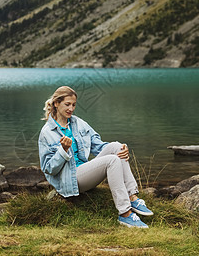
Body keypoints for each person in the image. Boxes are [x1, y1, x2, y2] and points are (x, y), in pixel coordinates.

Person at [38, 86, 153, 228]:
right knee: (112, 160)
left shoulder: (78, 123)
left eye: (73, 105)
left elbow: (99, 146)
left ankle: (132, 197)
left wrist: (122, 150)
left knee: (117, 146)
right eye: (67, 104)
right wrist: (62, 150)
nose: (71, 109)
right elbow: (49, 169)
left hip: (84, 172)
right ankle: (125, 214)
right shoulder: (47, 132)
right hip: (69, 180)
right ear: (56, 103)